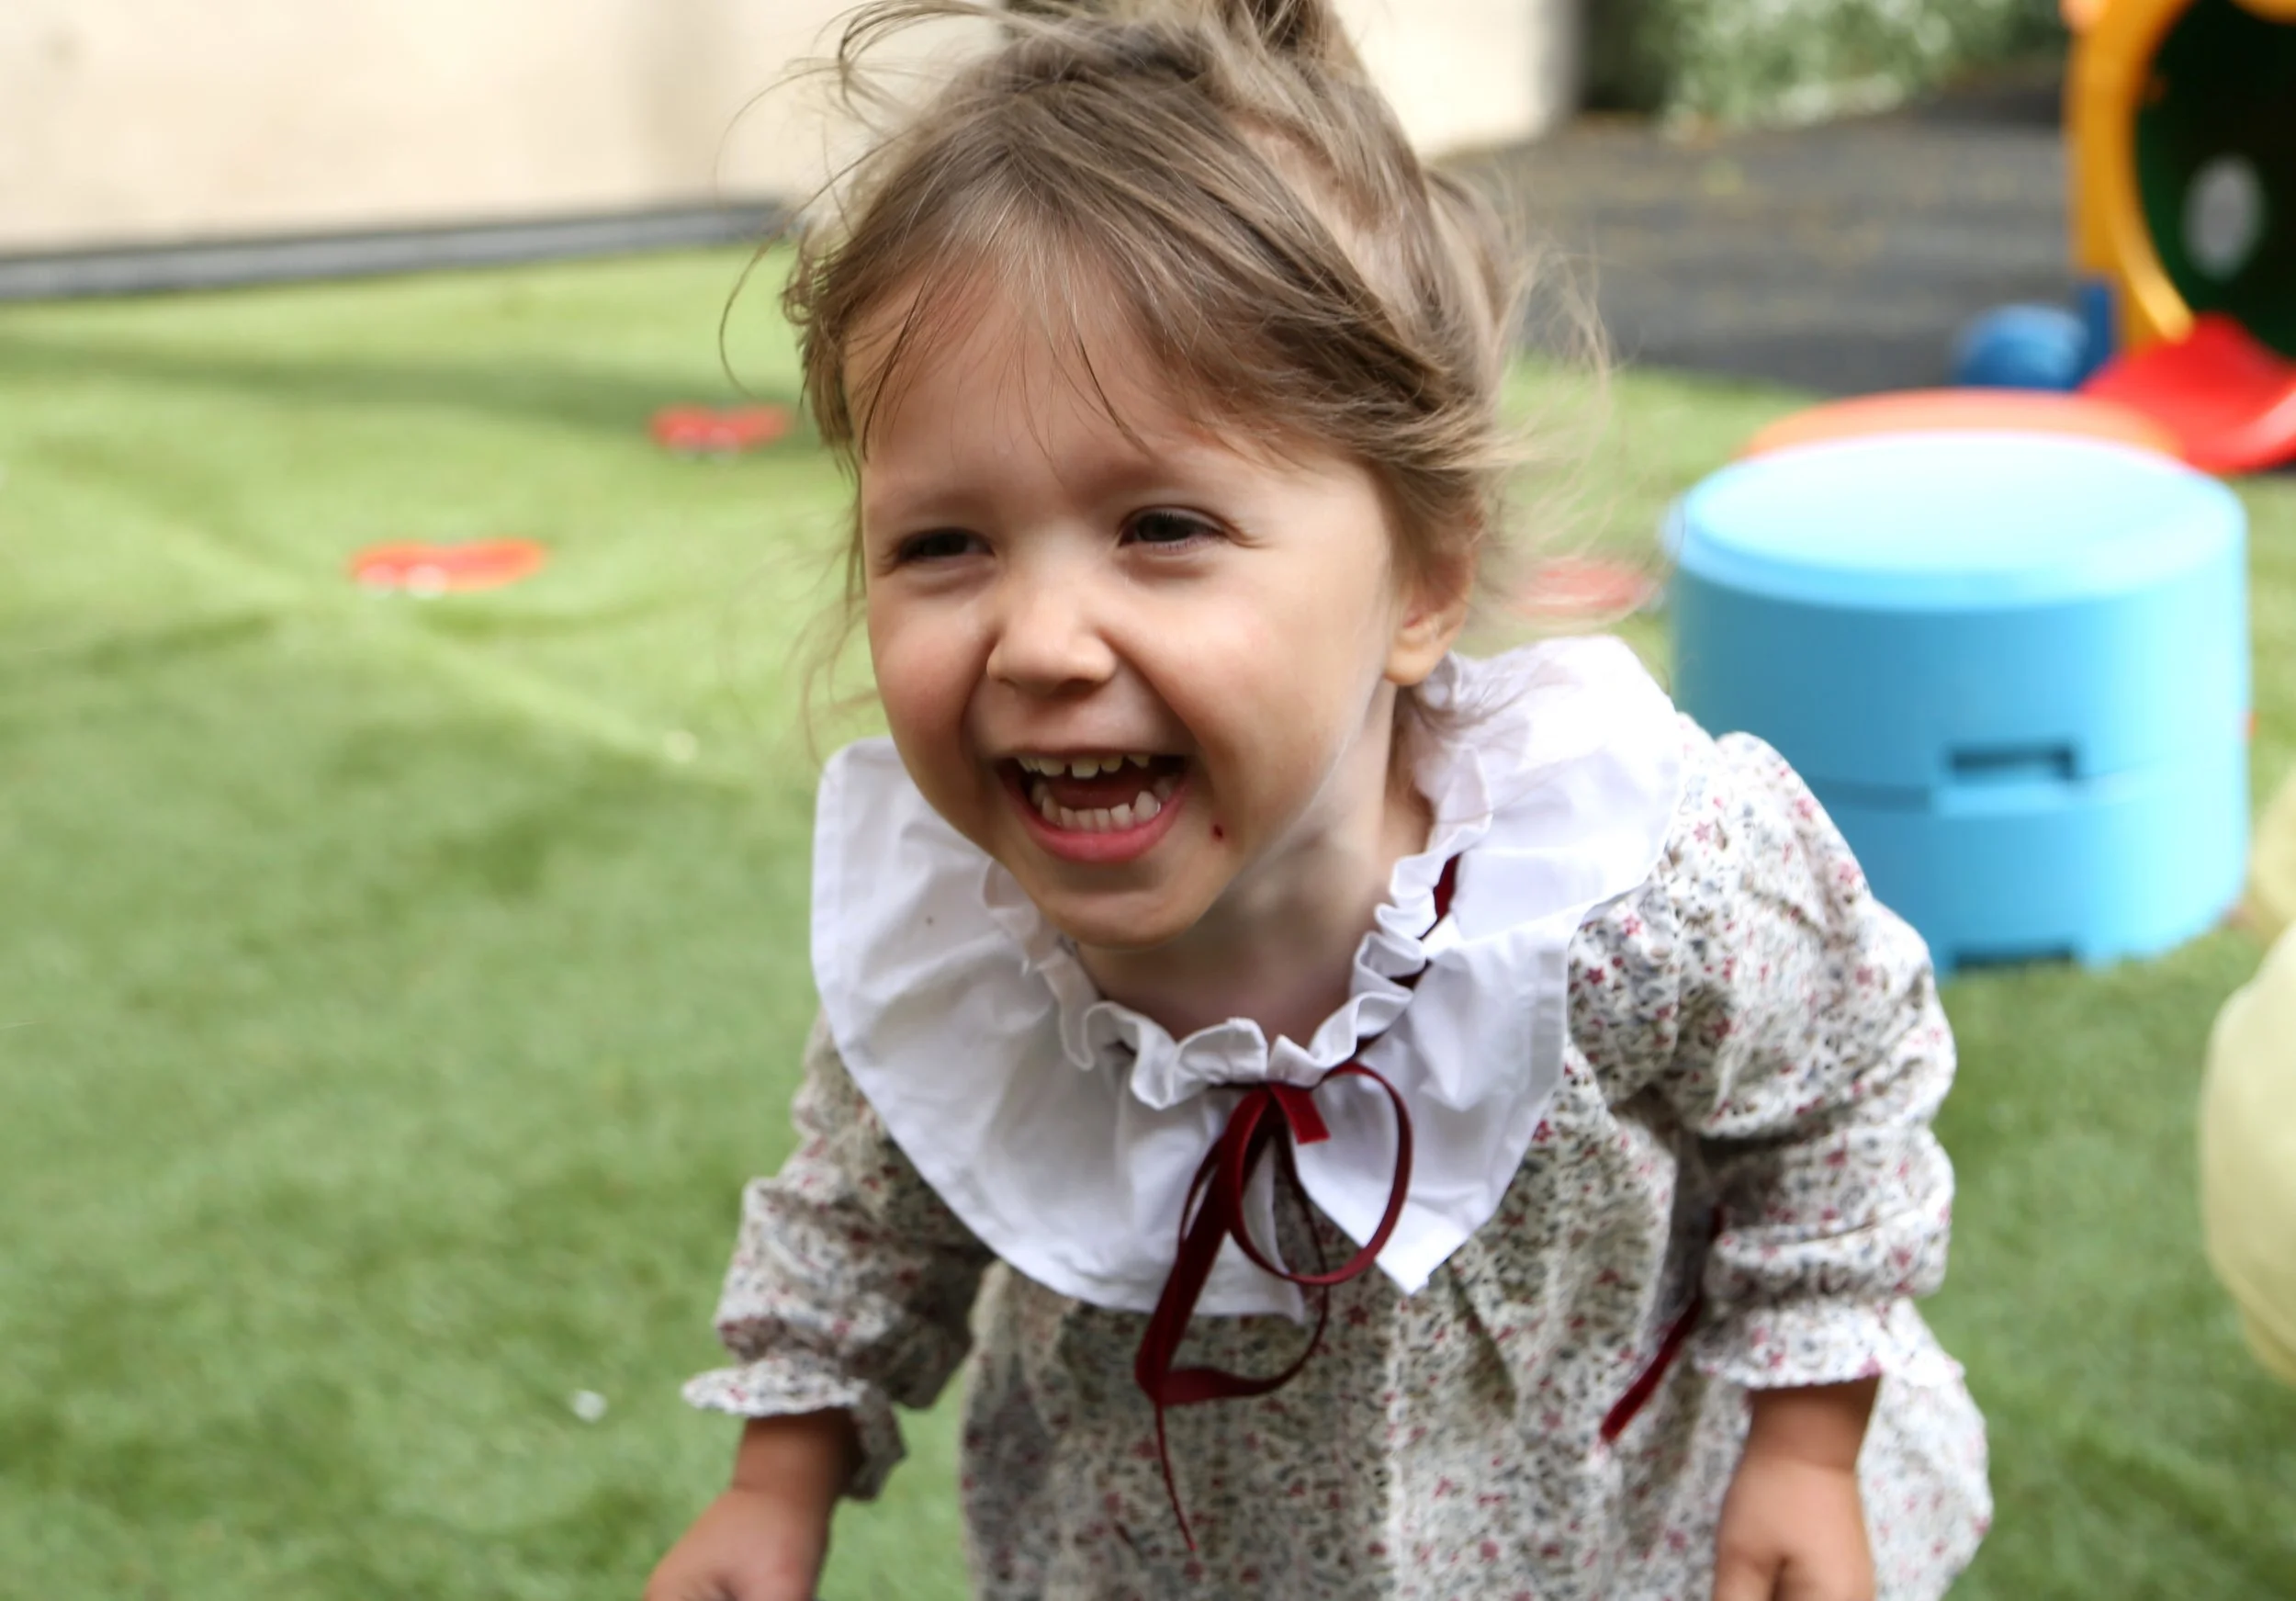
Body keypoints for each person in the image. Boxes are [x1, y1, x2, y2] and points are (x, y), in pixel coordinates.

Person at [646, 2, 1991, 1595]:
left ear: (1421, 578)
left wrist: (1808, 1439)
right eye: (943, 543)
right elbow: (873, 1210)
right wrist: (775, 1481)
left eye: (1161, 525)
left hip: (1619, 1536)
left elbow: (1837, 1082)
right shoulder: (972, 952)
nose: (1041, 641)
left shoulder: (1615, 886)